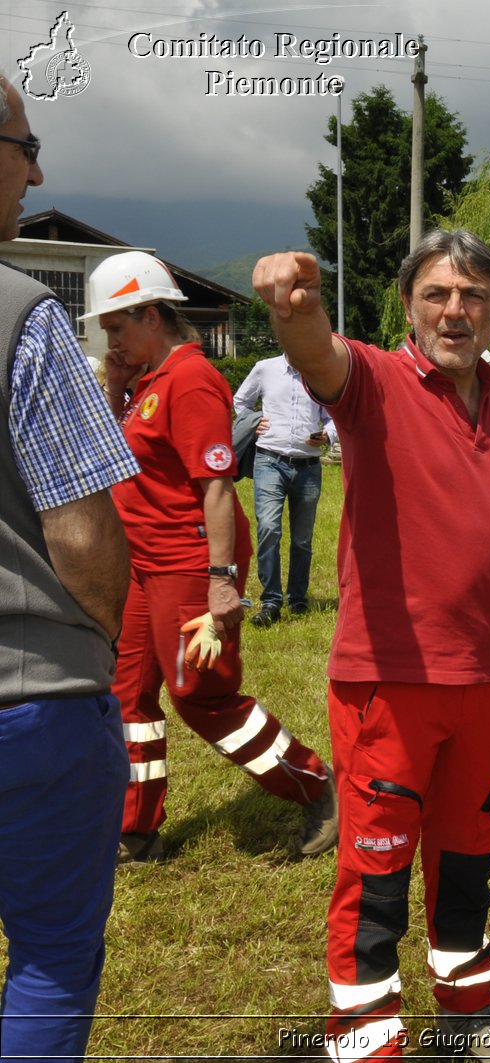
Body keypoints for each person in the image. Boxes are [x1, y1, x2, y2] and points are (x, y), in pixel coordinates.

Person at [253, 230, 490, 1061]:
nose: (456, 310)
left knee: (468, 854)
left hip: (481, 677)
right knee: (376, 875)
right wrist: (295, 309)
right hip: (390, 679)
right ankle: (366, 1038)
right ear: (408, 307)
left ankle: (467, 1013)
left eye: (474, 294)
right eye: (438, 294)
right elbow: (318, 354)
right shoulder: (374, 380)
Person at [87, 250, 337, 867]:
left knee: (200, 694)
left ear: (151, 315)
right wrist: (116, 388)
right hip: (143, 567)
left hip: (188, 566)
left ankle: (318, 786)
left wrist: (222, 584)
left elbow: (218, 489)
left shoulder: (191, 380)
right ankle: (135, 829)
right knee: (128, 698)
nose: (111, 341)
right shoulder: (145, 382)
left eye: (118, 327)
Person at [0, 73, 139, 1062]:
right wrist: (100, 635)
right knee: (50, 955)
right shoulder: (26, 317)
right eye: (25, 142)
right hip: (31, 698)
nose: (37, 170)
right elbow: (84, 535)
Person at [232, 353, 332, 627]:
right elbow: (240, 400)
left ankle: (298, 597)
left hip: (308, 465)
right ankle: (271, 600)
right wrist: (253, 421)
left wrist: (327, 434)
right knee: (269, 529)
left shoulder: (318, 370)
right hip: (269, 460)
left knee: (302, 538)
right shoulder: (264, 368)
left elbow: (333, 415)